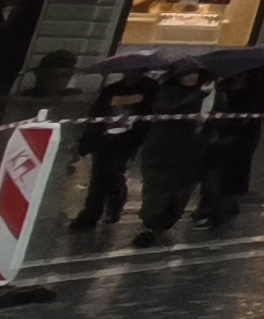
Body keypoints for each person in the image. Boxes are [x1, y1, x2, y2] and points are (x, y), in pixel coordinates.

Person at [131, 66, 212, 247]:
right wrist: (198, 95)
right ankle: (149, 225)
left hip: (190, 150)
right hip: (162, 149)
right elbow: (167, 110)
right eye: (185, 73)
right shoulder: (167, 92)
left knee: (180, 191)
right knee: (157, 188)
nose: (191, 77)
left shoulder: (208, 94)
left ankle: (163, 224)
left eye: (194, 72)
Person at [67, 67, 155, 231]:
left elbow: (150, 111)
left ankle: (109, 206)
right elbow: (97, 112)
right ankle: (95, 212)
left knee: (113, 172)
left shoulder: (150, 88)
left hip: (128, 139)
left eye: (135, 71)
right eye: (129, 71)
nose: (131, 74)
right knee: (99, 175)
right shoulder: (112, 89)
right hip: (104, 137)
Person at [201, 60, 264, 226]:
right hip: (220, 132)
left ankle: (223, 210)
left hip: (243, 135)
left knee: (231, 172)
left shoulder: (260, 87)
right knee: (214, 171)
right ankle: (210, 207)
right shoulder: (224, 84)